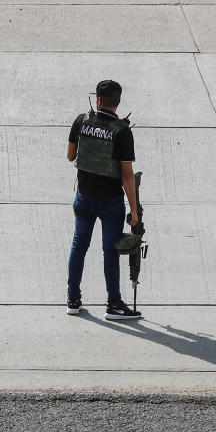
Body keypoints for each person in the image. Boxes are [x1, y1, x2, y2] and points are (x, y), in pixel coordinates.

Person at [65, 80, 142, 320]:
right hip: (111, 202)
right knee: (110, 251)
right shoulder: (122, 132)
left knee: (79, 246)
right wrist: (134, 209)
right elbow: (127, 174)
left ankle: (73, 300)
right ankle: (114, 305)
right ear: (117, 103)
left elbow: (70, 156)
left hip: (84, 197)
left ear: (98, 100)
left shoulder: (81, 121)